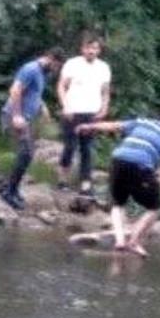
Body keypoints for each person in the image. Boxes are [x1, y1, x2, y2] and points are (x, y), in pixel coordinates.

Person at [78, 111, 160, 255]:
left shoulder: (143, 122)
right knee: (154, 208)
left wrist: (89, 126)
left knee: (117, 204)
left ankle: (119, 241)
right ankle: (133, 242)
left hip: (118, 160)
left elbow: (114, 125)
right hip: (141, 165)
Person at [0, 47, 64, 211]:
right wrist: (16, 115)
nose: (56, 70)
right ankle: (8, 191)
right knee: (26, 152)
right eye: (56, 65)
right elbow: (15, 90)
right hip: (13, 116)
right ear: (49, 57)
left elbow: (33, 93)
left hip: (24, 119)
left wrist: (43, 106)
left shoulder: (41, 73)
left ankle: (10, 187)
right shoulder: (31, 69)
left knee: (26, 154)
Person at [56, 32, 111, 196]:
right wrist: (65, 105)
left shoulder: (104, 67)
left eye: (95, 48)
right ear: (82, 48)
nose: (91, 51)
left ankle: (85, 184)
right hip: (72, 111)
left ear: (99, 50)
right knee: (69, 147)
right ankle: (62, 180)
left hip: (92, 113)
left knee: (87, 149)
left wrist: (104, 108)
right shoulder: (72, 64)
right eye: (88, 47)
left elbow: (105, 91)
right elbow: (61, 86)